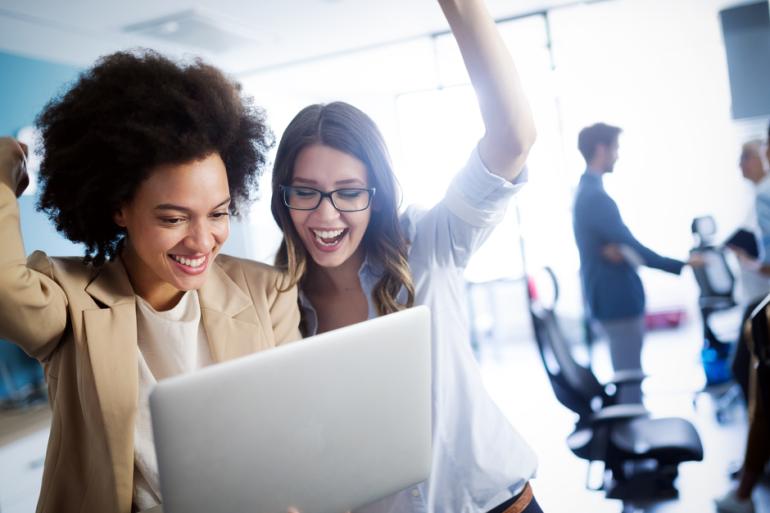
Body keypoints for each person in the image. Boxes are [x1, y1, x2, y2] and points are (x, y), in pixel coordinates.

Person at [0, 51, 301, 513]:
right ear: (119, 207)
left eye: (218, 213)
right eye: (174, 217)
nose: (203, 240)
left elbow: (294, 435)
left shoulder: (268, 292)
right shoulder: (69, 299)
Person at [270, 1, 541, 512]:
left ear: (377, 192)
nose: (326, 217)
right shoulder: (275, 302)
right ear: (283, 196)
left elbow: (514, 137)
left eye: (349, 191)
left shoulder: (428, 243)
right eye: (306, 192)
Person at [572, 122, 701, 404]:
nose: (617, 155)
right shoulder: (595, 197)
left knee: (629, 375)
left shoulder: (587, 192)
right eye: (615, 148)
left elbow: (622, 248)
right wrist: (680, 264)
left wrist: (620, 250)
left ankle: (632, 437)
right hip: (617, 302)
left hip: (612, 301)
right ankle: (633, 442)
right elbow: (632, 247)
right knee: (630, 380)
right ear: (601, 149)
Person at [715, 131, 770, 513]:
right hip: (757, 301)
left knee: (753, 381)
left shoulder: (765, 195)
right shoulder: (758, 197)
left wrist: (743, 257)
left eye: (747, 156)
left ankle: (746, 489)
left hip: (762, 304)